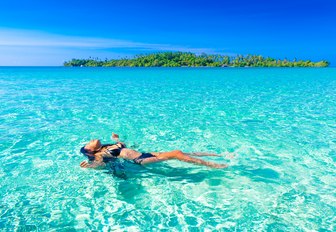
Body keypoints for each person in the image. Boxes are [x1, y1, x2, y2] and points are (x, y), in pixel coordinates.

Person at [80, 133, 228, 169]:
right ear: (90, 150)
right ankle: (213, 165)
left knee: (181, 152)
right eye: (89, 142)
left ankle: (220, 155)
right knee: (177, 154)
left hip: (146, 153)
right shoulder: (99, 154)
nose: (92, 139)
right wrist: (90, 166)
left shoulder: (108, 146)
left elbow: (123, 143)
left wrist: (118, 138)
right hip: (140, 160)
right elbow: (100, 164)